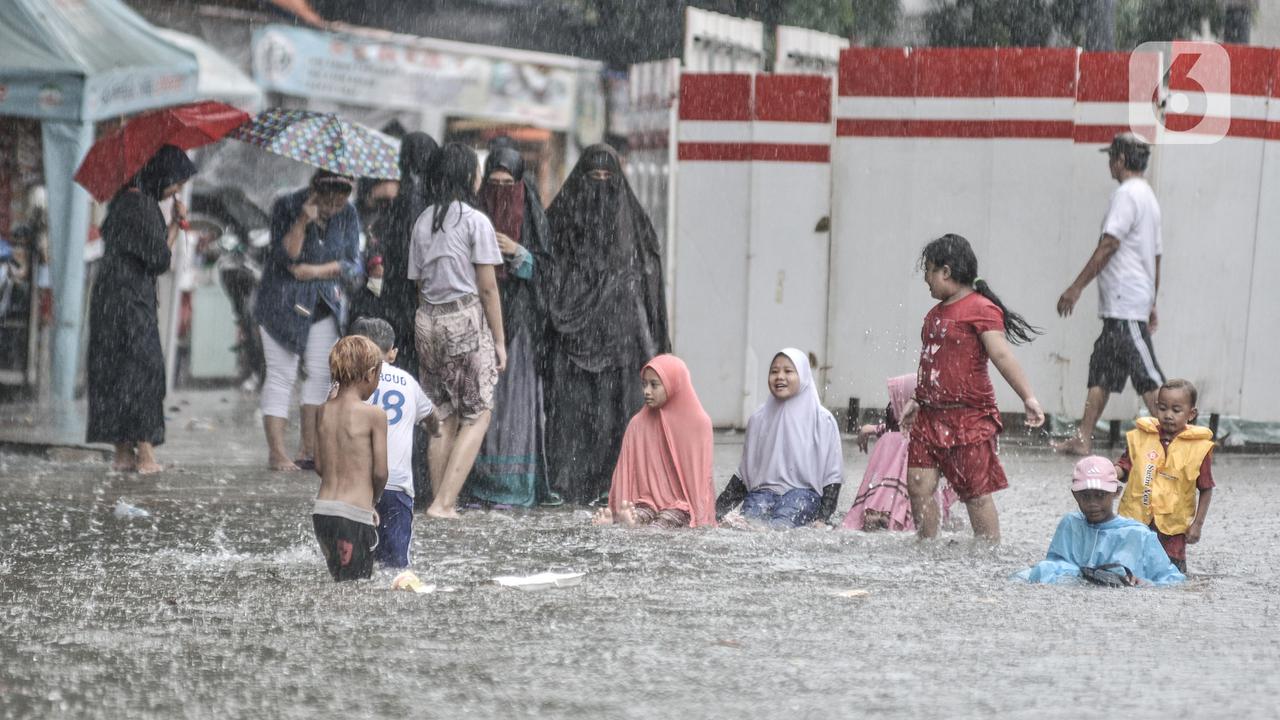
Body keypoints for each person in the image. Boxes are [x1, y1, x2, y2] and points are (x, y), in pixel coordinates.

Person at [543, 144, 670, 504]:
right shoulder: (562, 219)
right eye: (592, 178)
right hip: (570, 335)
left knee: (612, 412)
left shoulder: (633, 224)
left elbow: (649, 281)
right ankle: (567, 480)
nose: (599, 187)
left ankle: (611, 480)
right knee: (570, 413)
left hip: (618, 337)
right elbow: (548, 268)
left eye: (606, 179)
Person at [901, 234, 1045, 543]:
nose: (925, 278)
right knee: (917, 484)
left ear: (946, 271)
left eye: (928, 270)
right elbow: (930, 359)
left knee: (975, 493)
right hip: (929, 416)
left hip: (968, 418)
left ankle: (987, 552)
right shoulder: (934, 315)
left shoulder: (981, 308)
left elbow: (1002, 355)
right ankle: (927, 545)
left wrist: (1028, 397)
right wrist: (917, 397)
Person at [408, 143, 506, 519]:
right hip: (464, 318)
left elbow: (418, 285)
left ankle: (439, 499)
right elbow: (487, 287)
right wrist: (498, 340)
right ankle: (445, 502)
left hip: (427, 320)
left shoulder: (422, 221)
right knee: (478, 413)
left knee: (442, 412)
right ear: (469, 176)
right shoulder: (475, 221)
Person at [86, 145, 196, 473]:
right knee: (143, 370)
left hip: (108, 299)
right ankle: (146, 455)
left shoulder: (124, 200)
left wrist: (173, 226)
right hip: (131, 302)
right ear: (160, 175)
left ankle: (122, 454)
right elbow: (159, 260)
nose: (175, 190)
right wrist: (175, 226)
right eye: (175, 182)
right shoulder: (142, 205)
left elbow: (148, 252)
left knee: (114, 369)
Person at [1054, 132, 1164, 455]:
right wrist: (1153, 300)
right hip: (1130, 301)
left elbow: (1109, 244)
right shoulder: (1147, 196)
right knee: (1102, 369)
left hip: (1124, 302)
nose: (1109, 165)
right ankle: (1083, 437)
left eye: (1110, 158)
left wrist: (1076, 287)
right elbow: (1156, 256)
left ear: (1119, 160)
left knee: (1146, 372)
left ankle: (1175, 440)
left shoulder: (1127, 195)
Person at [464, 146, 559, 508]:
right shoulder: (473, 218)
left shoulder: (534, 217)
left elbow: (549, 273)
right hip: (479, 324)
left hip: (521, 328)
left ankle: (513, 485)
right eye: (494, 183)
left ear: (520, 185)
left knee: (514, 406)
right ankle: (479, 483)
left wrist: (519, 252)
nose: (501, 191)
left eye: (508, 184)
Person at [254, 170, 362, 471]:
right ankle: (277, 454)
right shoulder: (287, 205)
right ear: (315, 190)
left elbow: (353, 264)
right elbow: (286, 257)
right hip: (283, 303)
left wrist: (314, 272)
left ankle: (308, 449)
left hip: (324, 303)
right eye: (328, 202)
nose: (333, 209)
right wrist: (302, 220)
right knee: (281, 374)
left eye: (339, 203)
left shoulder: (349, 214)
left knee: (321, 374)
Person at [373, 132, 439, 505]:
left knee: (397, 390)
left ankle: (394, 474)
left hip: (394, 304)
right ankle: (420, 480)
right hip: (419, 306)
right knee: (421, 393)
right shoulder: (429, 204)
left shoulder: (399, 202)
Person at [715, 348, 843, 529]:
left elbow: (833, 475)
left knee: (780, 527)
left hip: (803, 495)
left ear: (804, 376)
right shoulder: (758, 419)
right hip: (762, 494)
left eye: (788, 371)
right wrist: (716, 513)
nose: (779, 377)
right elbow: (745, 474)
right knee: (747, 525)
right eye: (774, 371)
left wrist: (823, 519)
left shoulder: (822, 420)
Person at [1016, 455, 1185, 585]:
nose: (1093, 504)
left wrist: (1147, 584)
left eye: (1100, 495)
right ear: (1075, 495)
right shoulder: (1070, 525)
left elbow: (1173, 580)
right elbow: (1053, 566)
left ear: (1116, 492)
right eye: (1086, 496)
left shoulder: (1139, 535)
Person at [592, 354, 716, 529]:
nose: (646, 391)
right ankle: (629, 520)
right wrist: (618, 507)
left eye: (654, 385)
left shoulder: (699, 424)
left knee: (661, 524)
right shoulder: (638, 423)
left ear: (674, 384)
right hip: (646, 501)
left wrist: (701, 517)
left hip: (682, 506)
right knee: (640, 512)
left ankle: (633, 523)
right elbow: (624, 471)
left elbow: (702, 480)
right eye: (644, 384)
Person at [351, 318, 437, 568]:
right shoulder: (407, 381)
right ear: (393, 353)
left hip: (352, 488)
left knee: (353, 567)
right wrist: (435, 429)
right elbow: (431, 415)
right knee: (396, 567)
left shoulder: (345, 384)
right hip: (396, 486)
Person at [1114, 378, 1215, 573]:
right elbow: (1124, 467)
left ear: (1191, 414)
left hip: (1172, 532)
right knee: (1127, 569)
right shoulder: (1141, 437)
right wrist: (1109, 471)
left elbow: (1206, 488)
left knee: (1171, 575)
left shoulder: (1199, 449)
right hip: (1136, 522)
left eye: (1176, 410)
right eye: (1162, 408)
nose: (1168, 415)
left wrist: (1197, 525)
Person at [312, 335, 387, 582]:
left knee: (340, 581)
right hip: (353, 514)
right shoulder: (374, 415)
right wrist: (372, 501)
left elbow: (320, 465)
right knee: (357, 588)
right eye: (379, 376)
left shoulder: (323, 411)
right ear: (370, 373)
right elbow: (380, 472)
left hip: (322, 513)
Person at [843, 374, 959, 532]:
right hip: (921, 507)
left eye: (895, 403)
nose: (892, 408)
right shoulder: (930, 434)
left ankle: (880, 511)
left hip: (897, 505)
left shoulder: (900, 439)